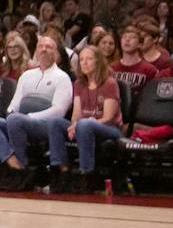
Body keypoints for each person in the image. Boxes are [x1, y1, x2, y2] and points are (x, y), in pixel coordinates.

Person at [0, 37, 73, 191]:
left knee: (15, 120)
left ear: (55, 53)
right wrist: (11, 116)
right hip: (19, 121)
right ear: (35, 51)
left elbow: (59, 110)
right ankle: (17, 166)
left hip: (45, 125)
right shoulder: (27, 76)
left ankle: (19, 173)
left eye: (48, 47)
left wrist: (28, 117)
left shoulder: (62, 77)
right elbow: (14, 105)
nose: (43, 49)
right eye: (40, 46)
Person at [48, 42, 122, 193]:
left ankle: (86, 174)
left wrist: (81, 124)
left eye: (89, 59)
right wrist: (74, 124)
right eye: (81, 59)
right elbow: (76, 114)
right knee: (55, 123)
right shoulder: (79, 84)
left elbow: (108, 117)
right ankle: (62, 170)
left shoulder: (109, 83)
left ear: (98, 61)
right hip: (84, 127)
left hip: (109, 129)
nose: (84, 63)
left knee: (85, 125)